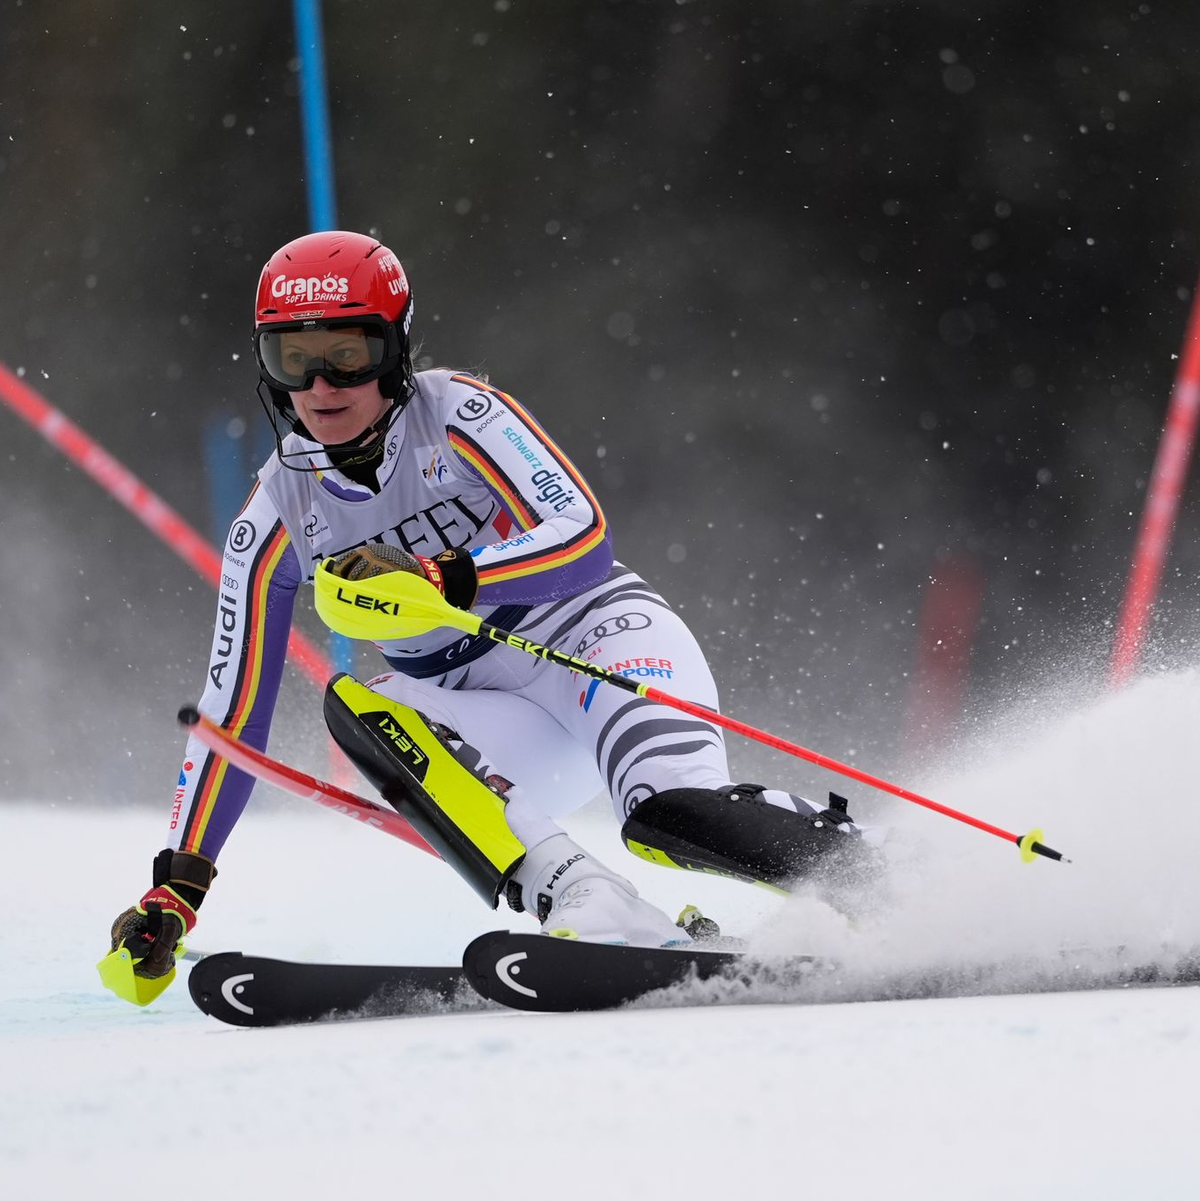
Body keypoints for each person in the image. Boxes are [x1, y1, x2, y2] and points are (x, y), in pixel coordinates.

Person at [109, 230, 878, 987]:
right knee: (359, 711)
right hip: (485, 717)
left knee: (668, 817)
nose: (320, 388)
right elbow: (232, 710)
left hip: (594, 643)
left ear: (395, 349)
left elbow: (584, 536)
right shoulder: (276, 511)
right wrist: (178, 883)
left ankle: (889, 881)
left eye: (348, 355)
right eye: (292, 360)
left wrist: (446, 577)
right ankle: (588, 898)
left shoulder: (459, 414)